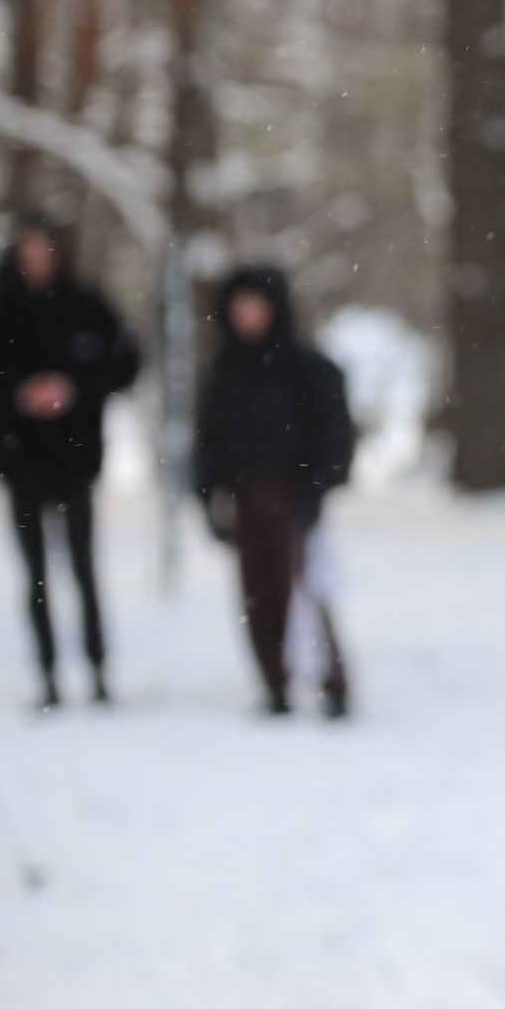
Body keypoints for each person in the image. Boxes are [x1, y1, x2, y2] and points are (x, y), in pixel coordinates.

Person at [0, 214, 141, 708]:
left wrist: (74, 388)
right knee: (34, 573)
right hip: (20, 459)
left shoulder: (86, 306)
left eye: (44, 252)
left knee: (83, 567)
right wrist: (17, 395)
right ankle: (48, 673)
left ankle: (97, 669)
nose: (36, 263)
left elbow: (126, 362)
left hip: (75, 458)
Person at [194, 266, 359, 718]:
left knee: (307, 589)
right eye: (240, 306)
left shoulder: (306, 366)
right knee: (256, 595)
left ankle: (332, 680)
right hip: (244, 496)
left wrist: (316, 490)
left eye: (256, 305)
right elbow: (208, 438)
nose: (248, 315)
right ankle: (274, 682)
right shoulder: (224, 371)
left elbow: (335, 433)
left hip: (294, 493)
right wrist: (207, 493)